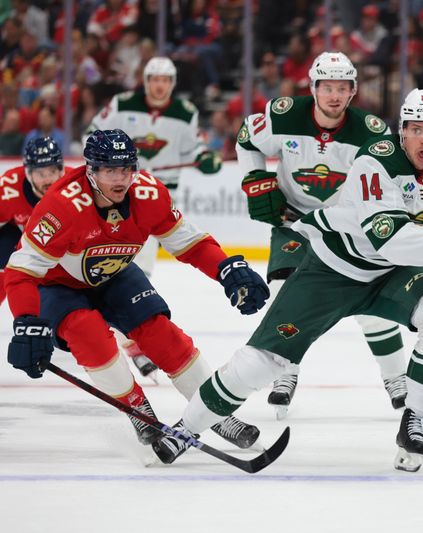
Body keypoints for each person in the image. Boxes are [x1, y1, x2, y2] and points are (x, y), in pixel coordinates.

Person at [152, 89, 423, 471]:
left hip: (391, 274)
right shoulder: (375, 162)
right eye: (416, 130)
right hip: (333, 268)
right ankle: (185, 429)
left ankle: (416, 420)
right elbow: (393, 239)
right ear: (403, 131)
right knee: (261, 364)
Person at [4, 129, 269, 461]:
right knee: (89, 335)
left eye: (126, 169)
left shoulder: (148, 193)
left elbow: (190, 243)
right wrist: (27, 319)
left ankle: (213, 410)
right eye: (109, 170)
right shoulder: (61, 207)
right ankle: (135, 408)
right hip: (58, 285)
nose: (120, 179)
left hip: (114, 273)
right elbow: (21, 271)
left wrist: (226, 269)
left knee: (160, 333)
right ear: (90, 170)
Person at [237, 51, 408, 419]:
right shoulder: (283, 115)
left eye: (342, 88)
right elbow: (247, 139)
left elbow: (389, 181)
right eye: (327, 87)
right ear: (313, 88)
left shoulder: (372, 133)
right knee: (288, 294)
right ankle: (286, 372)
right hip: (295, 219)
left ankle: (396, 378)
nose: (334, 95)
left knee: (372, 306)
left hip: (345, 226)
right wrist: (256, 179)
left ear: (353, 92)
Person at [87, 56, 222, 376]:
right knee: (111, 264)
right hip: (114, 196)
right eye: (154, 79)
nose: (159, 85)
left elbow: (195, 149)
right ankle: (125, 335)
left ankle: (129, 335)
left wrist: (205, 159)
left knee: (138, 270)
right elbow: (91, 135)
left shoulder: (184, 113)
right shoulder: (122, 104)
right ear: (145, 81)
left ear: (172, 84)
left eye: (165, 80)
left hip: (153, 201)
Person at [0, 137, 70, 306]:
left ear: (61, 170)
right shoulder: (9, 187)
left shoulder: (75, 186)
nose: (47, 180)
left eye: (52, 171)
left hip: (62, 244)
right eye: (40, 173)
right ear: (29, 173)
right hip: (19, 236)